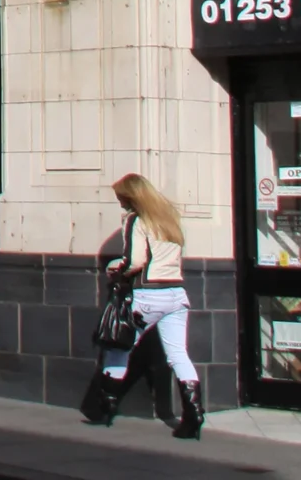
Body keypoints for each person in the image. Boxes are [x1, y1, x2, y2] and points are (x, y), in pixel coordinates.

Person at [80, 173, 203, 439]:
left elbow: (135, 261)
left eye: (122, 198)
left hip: (148, 294)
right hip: (176, 294)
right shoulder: (169, 220)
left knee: (119, 347)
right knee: (178, 354)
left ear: (131, 196)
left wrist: (116, 269)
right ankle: (194, 413)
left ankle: (106, 406)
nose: (121, 204)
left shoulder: (137, 220)